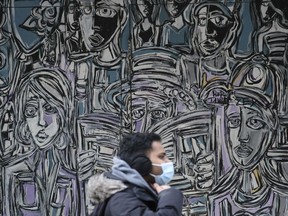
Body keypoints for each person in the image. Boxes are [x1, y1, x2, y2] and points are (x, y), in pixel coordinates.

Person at [88, 133, 183, 215]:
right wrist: (169, 197)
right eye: (161, 157)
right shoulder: (121, 200)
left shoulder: (143, 193)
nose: (168, 162)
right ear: (141, 163)